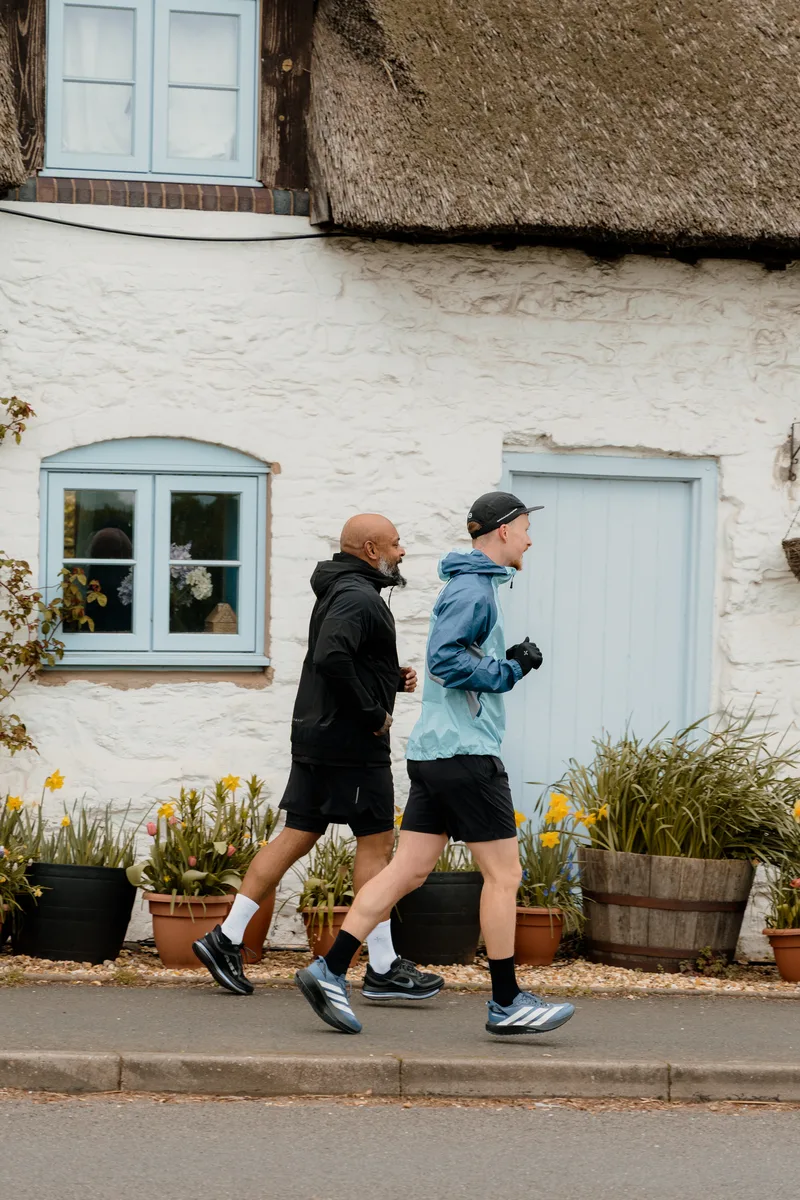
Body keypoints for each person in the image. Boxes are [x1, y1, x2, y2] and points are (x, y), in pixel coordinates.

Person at [295, 491, 575, 1037]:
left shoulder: (468, 584)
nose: (529, 540)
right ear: (502, 532)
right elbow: (447, 660)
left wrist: (500, 663)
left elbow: (453, 657)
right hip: (465, 753)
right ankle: (506, 1001)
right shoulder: (474, 589)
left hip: (435, 752)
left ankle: (330, 970)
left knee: (407, 870)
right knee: (505, 875)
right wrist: (510, 668)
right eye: (524, 529)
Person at [193, 513, 444, 1002]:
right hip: (351, 745)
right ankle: (383, 968)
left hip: (320, 737)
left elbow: (342, 657)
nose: (402, 552)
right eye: (396, 544)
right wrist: (372, 710)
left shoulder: (342, 590)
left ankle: (226, 938)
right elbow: (331, 656)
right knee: (376, 844)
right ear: (371, 549)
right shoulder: (357, 596)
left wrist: (387, 678)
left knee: (297, 834)